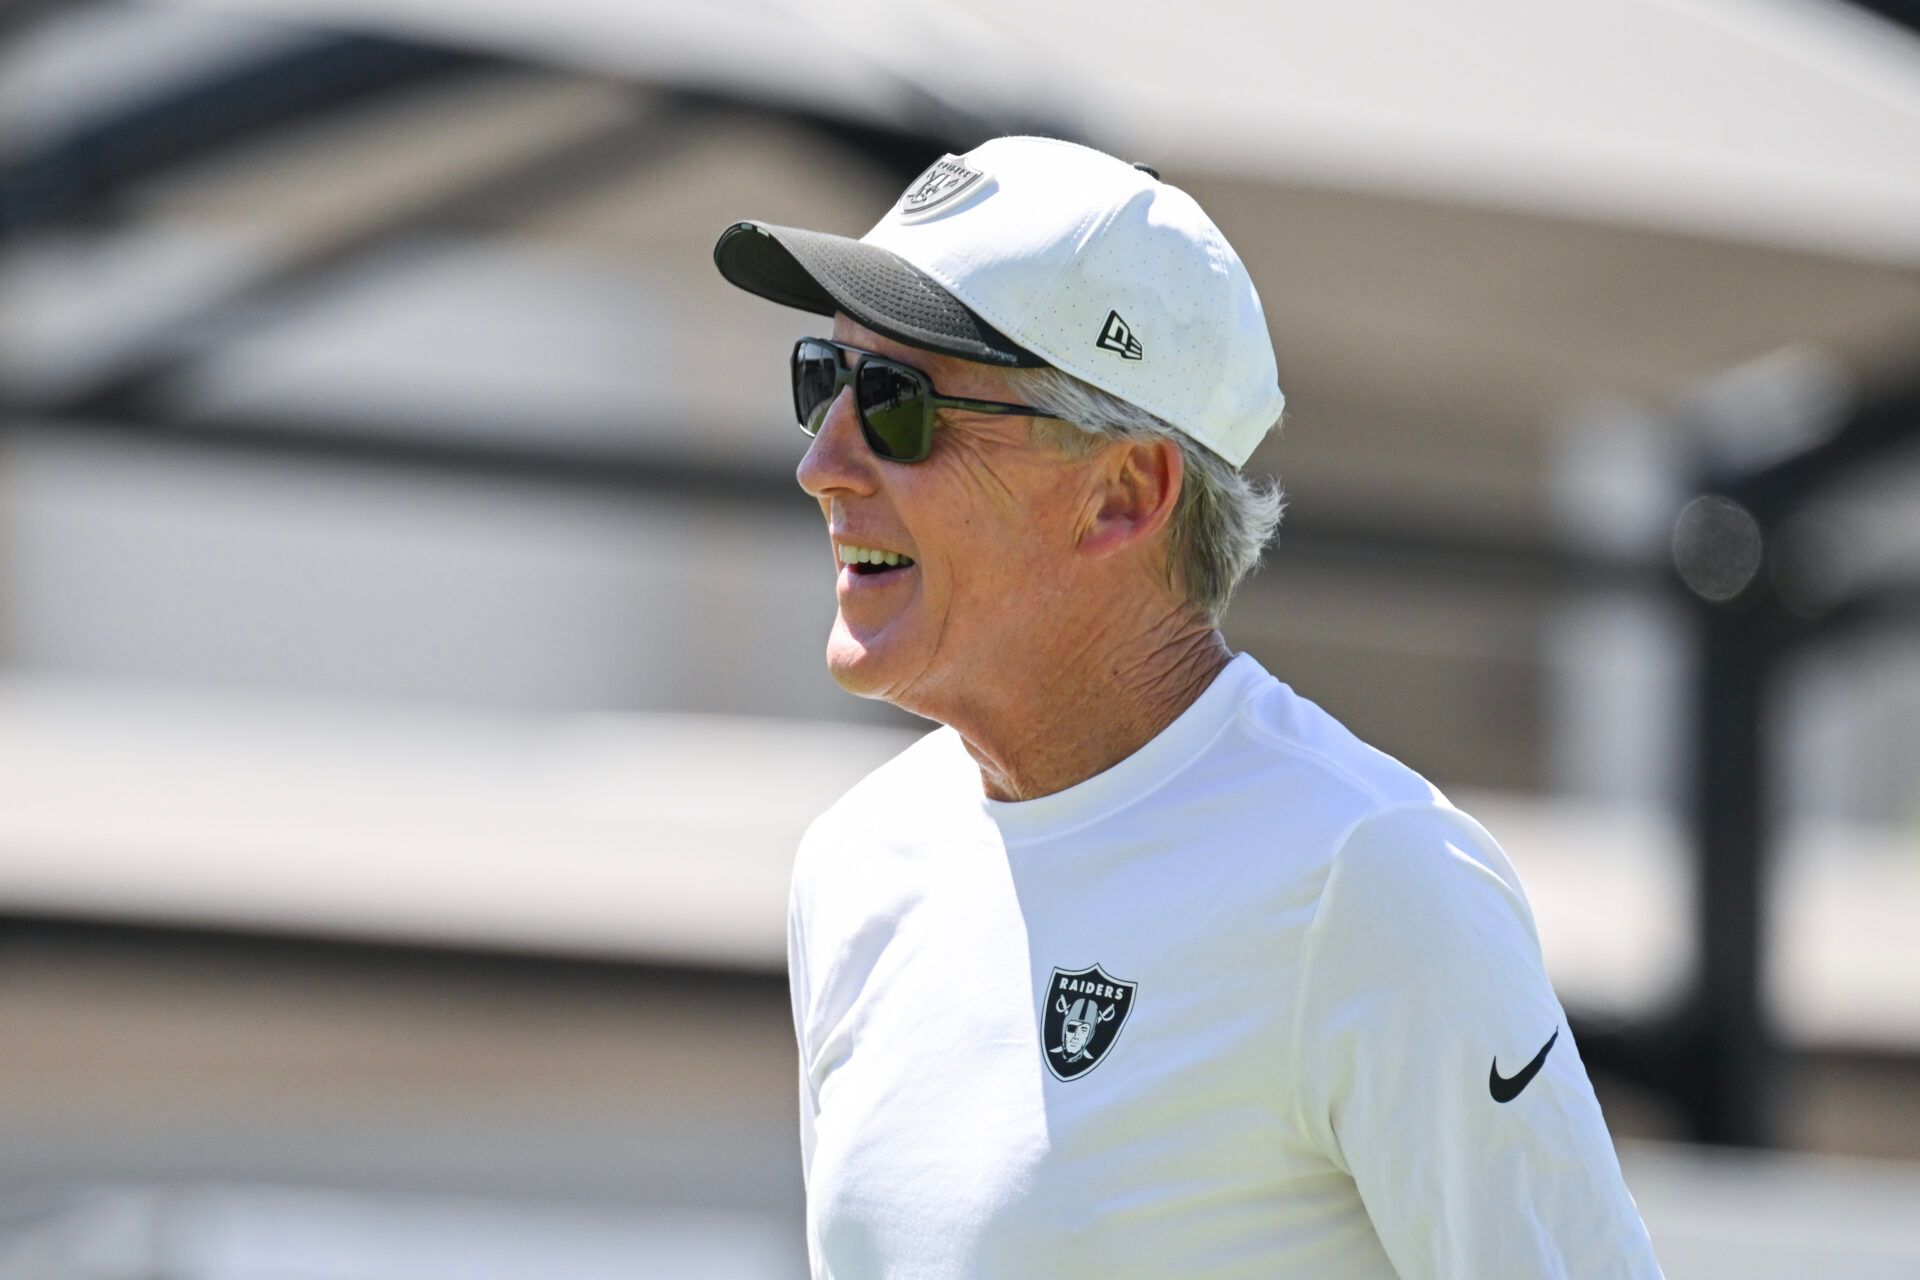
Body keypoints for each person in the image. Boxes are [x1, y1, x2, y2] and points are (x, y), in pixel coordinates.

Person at [712, 136, 1662, 1279]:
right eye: (824, 376)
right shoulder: (856, 861)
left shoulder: (1375, 874)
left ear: (1124, 493)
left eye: (894, 403)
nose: (823, 461)